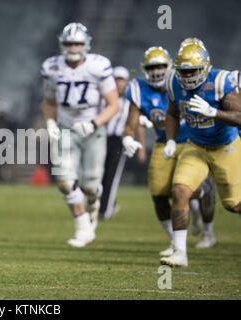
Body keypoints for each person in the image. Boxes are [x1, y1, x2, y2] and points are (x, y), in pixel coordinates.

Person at [122, 46, 216, 258]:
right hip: (164, 143)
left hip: (193, 141)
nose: (156, 72)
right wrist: (127, 137)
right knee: (158, 194)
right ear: (144, 69)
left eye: (160, 66)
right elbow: (130, 122)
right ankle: (175, 242)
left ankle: (206, 226)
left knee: (182, 190)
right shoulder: (138, 88)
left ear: (170, 67)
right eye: (152, 67)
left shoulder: (181, 82)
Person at [160, 38, 241, 267]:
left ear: (205, 66)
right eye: (183, 71)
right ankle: (180, 252)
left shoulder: (220, 82)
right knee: (180, 191)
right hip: (195, 146)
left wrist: (214, 113)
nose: (187, 76)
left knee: (234, 204)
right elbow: (173, 113)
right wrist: (171, 141)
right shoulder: (173, 83)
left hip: (227, 147)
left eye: (192, 71)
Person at [41, 22, 119, 247]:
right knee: (64, 180)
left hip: (93, 131)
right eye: (69, 43)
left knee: (91, 186)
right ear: (62, 44)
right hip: (66, 129)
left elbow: (113, 105)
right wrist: (50, 122)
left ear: (85, 45)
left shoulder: (98, 66)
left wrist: (94, 123)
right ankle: (83, 227)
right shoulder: (52, 67)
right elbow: (48, 101)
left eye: (77, 43)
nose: (73, 48)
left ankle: (93, 206)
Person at [99, 66, 147, 220]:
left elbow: (137, 124)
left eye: (121, 80)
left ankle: (105, 212)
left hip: (120, 141)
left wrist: (142, 147)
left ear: (126, 82)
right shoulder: (104, 98)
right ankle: (109, 205)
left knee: (112, 176)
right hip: (102, 139)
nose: (118, 83)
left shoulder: (131, 100)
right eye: (116, 79)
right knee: (98, 175)